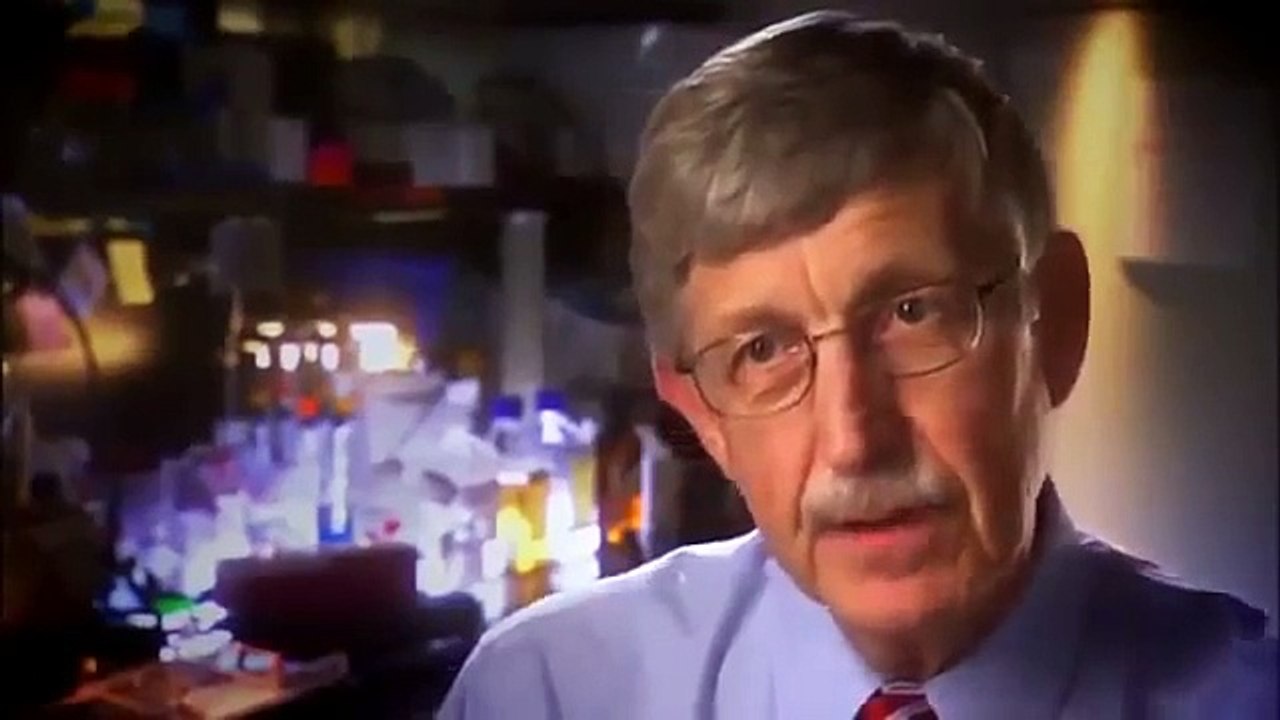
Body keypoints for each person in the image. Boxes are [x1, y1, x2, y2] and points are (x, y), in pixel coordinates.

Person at [439, 11, 1276, 719]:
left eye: (912, 313)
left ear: (1053, 323)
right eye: (763, 350)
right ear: (701, 416)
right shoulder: (544, 693)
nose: (853, 441)